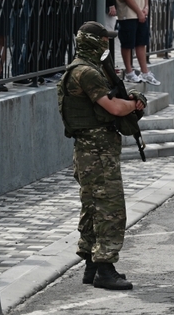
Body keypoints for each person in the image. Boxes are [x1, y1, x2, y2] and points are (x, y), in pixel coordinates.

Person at [57, 21, 145, 291]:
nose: (107, 45)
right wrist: (134, 103)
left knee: (93, 207)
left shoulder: (82, 68)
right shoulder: (87, 72)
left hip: (90, 150)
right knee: (110, 209)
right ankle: (105, 269)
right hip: (96, 152)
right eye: (104, 41)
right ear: (95, 42)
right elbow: (114, 107)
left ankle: (92, 266)